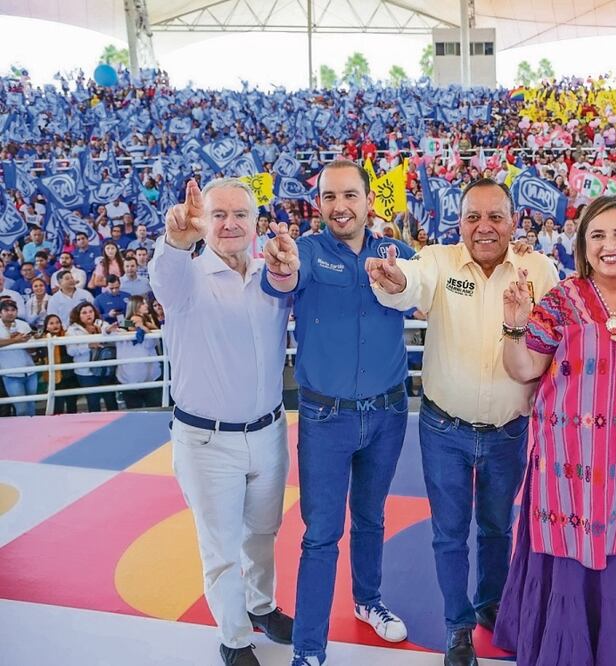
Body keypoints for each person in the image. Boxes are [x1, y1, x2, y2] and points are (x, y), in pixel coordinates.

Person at [487, 195, 616, 665]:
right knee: (569, 554)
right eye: (598, 235)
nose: (610, 245)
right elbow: (523, 368)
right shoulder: (562, 300)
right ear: (583, 246)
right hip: (567, 470)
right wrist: (514, 325)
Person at [367, 178, 559, 666]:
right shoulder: (437, 259)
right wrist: (393, 281)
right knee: (449, 532)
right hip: (443, 430)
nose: (484, 227)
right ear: (460, 223)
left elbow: (563, 337)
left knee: (498, 527)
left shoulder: (540, 270)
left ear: (515, 222)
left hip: (509, 431)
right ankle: (458, 626)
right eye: (473, 217)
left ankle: (491, 603)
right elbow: (408, 282)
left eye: (496, 216)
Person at [261, 160, 412, 666]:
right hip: (325, 421)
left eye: (349, 195)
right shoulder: (301, 251)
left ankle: (369, 601)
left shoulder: (396, 253)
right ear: (319, 203)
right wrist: (279, 268)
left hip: (389, 414)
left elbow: (434, 291)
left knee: (371, 518)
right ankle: (308, 650)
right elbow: (282, 278)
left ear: (370, 200)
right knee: (321, 534)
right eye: (329, 197)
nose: (339, 206)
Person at [150, 178, 293, 666]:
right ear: (202, 221)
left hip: (270, 432)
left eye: (240, 214)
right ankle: (234, 638)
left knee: (262, 532)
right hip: (207, 441)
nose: (230, 223)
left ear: (256, 222)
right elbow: (164, 272)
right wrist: (174, 241)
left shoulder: (272, 275)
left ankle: (262, 606)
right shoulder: (185, 278)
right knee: (222, 548)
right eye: (218, 215)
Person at [65, 302, 119, 413]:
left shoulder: (102, 324)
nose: (88, 315)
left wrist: (106, 332)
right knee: (93, 401)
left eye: (90, 311)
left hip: (104, 368)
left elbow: (113, 337)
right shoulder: (72, 330)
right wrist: (88, 346)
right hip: (85, 371)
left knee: (110, 399)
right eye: (84, 313)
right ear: (78, 315)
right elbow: (71, 351)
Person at [0, 299, 37, 417]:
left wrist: (25, 343)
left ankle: (33, 432)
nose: (10, 313)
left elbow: (33, 350)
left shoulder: (23, 325)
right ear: (0, 312)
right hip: (11, 374)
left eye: (13, 310)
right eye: (6, 310)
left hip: (30, 371)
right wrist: (14, 340)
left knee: (31, 406)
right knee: (21, 409)